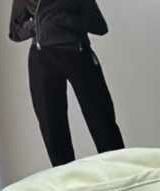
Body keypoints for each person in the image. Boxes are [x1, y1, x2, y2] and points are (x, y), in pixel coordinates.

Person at [8, 0, 125, 167]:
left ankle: (120, 170)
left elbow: (99, 26)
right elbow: (14, 32)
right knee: (52, 130)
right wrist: (39, 25)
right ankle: (66, 180)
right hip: (41, 60)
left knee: (102, 123)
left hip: (77, 53)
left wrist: (64, 20)